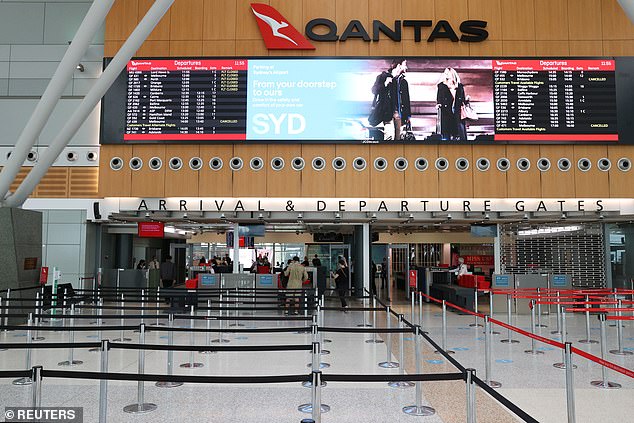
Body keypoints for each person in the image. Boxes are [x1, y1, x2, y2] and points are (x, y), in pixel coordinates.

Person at [437, 67, 467, 141]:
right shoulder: (441, 86)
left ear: (453, 75)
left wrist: (466, 101)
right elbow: (439, 99)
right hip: (446, 113)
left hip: (458, 113)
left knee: (459, 133)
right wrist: (438, 105)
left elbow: (462, 99)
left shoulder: (459, 86)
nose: (447, 75)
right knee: (446, 134)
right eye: (446, 74)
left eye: (448, 73)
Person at [389, 58, 411, 141]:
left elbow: (406, 100)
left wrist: (408, 116)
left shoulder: (403, 81)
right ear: (399, 65)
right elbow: (375, 90)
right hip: (389, 113)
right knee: (389, 136)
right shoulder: (387, 77)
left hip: (399, 114)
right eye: (405, 64)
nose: (406, 67)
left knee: (398, 138)